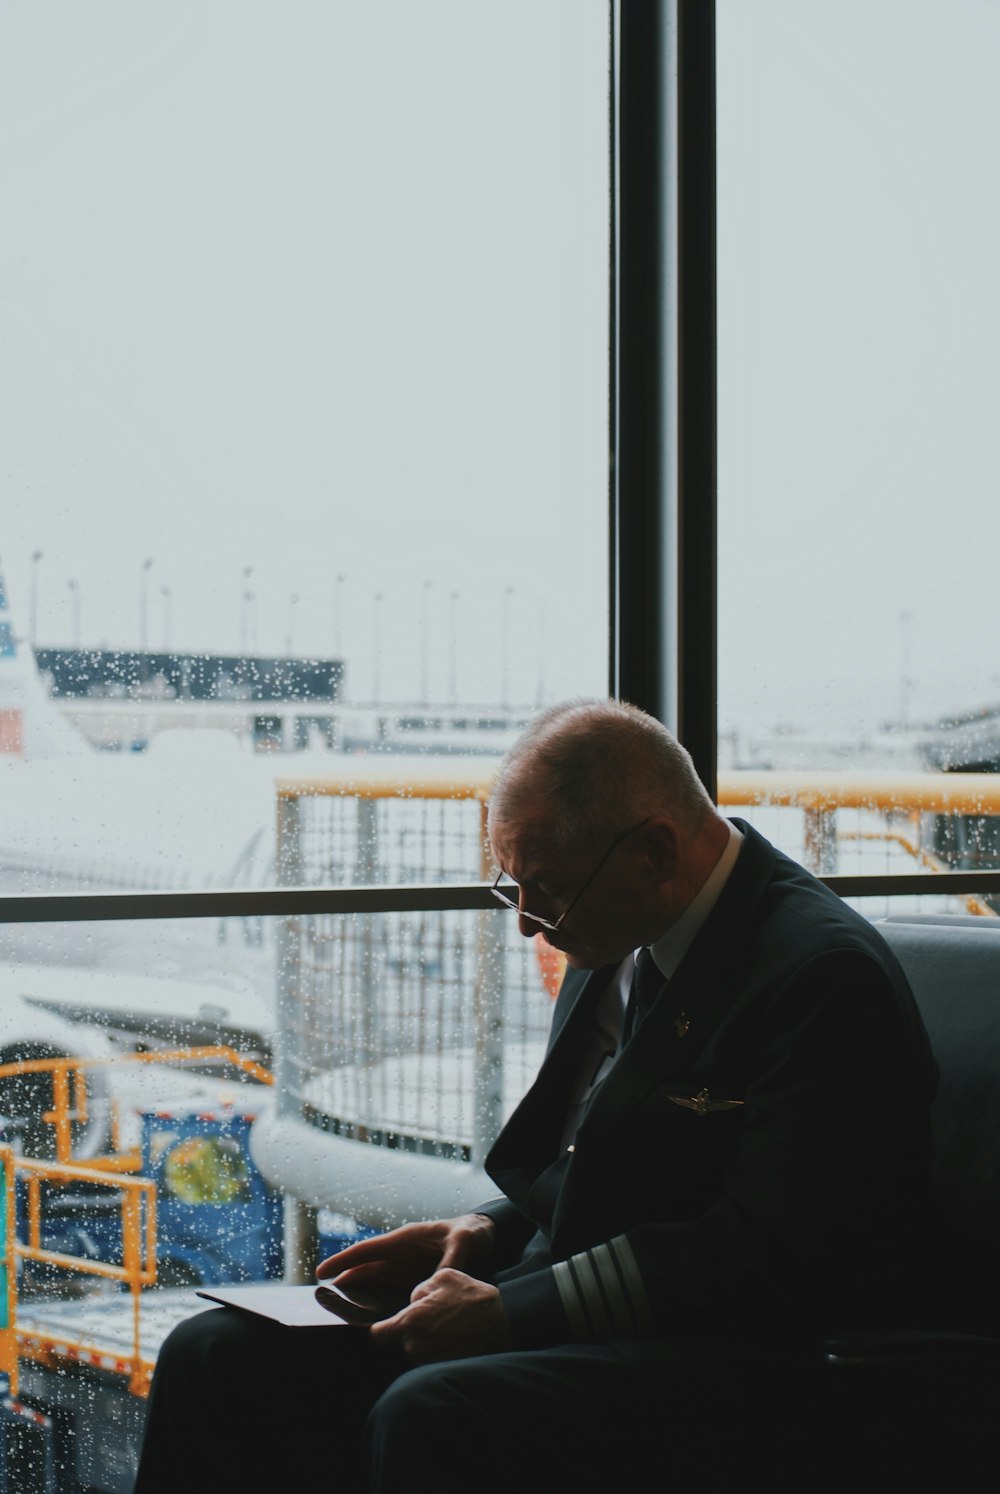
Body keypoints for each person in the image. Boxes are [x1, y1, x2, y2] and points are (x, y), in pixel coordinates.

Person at [134, 699, 936, 1491]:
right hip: (588, 1308)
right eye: (513, 888)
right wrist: (482, 1231)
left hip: (739, 1354)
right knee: (212, 1351)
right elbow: (601, 1163)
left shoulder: (822, 978)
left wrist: (515, 1313)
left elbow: (764, 1252)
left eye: (545, 890)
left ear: (655, 852)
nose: (527, 924)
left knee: (431, 1408)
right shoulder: (620, 930)